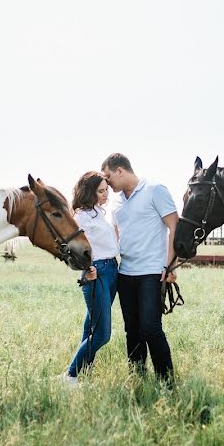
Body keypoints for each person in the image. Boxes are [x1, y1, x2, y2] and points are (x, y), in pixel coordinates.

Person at [101, 153, 178, 380]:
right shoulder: (116, 202)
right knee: (131, 330)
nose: (106, 183)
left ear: (120, 171)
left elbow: (174, 226)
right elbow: (115, 233)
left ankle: (166, 381)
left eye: (108, 177)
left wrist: (170, 265)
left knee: (151, 328)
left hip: (153, 272)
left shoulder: (155, 189)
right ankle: (137, 377)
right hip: (125, 273)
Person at [61, 171, 119, 386]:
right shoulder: (80, 217)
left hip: (112, 269)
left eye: (107, 190)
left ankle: (83, 373)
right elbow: (71, 249)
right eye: (101, 191)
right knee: (102, 334)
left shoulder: (98, 213)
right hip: (96, 273)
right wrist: (86, 267)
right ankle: (71, 375)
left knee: (91, 327)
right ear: (89, 192)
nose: (106, 195)